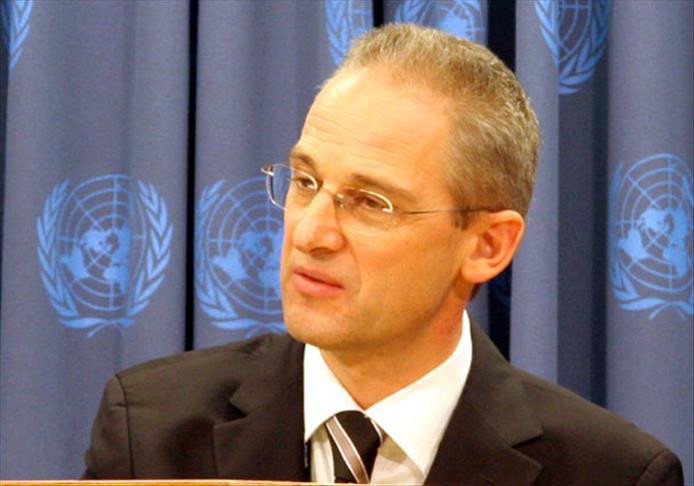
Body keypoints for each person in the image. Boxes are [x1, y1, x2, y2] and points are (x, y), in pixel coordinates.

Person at [83, 23, 683, 485]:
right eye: (306, 182)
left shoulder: (611, 472)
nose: (311, 233)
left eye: (371, 202)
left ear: (487, 245)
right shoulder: (152, 431)